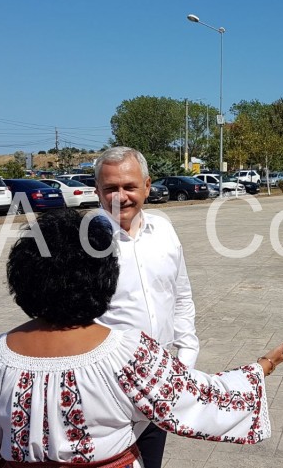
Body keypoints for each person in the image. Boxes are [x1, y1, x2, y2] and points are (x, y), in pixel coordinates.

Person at [0, 209, 283, 467]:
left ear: (23, 277)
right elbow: (202, 400)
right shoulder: (129, 352)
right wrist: (263, 366)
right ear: (104, 277)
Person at [92, 146, 198, 468]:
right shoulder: (84, 243)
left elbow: (181, 296)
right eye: (110, 188)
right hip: (105, 393)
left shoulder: (164, 231)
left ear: (148, 186)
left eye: (129, 186)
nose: (120, 196)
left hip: (159, 385)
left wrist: (185, 360)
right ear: (97, 191)